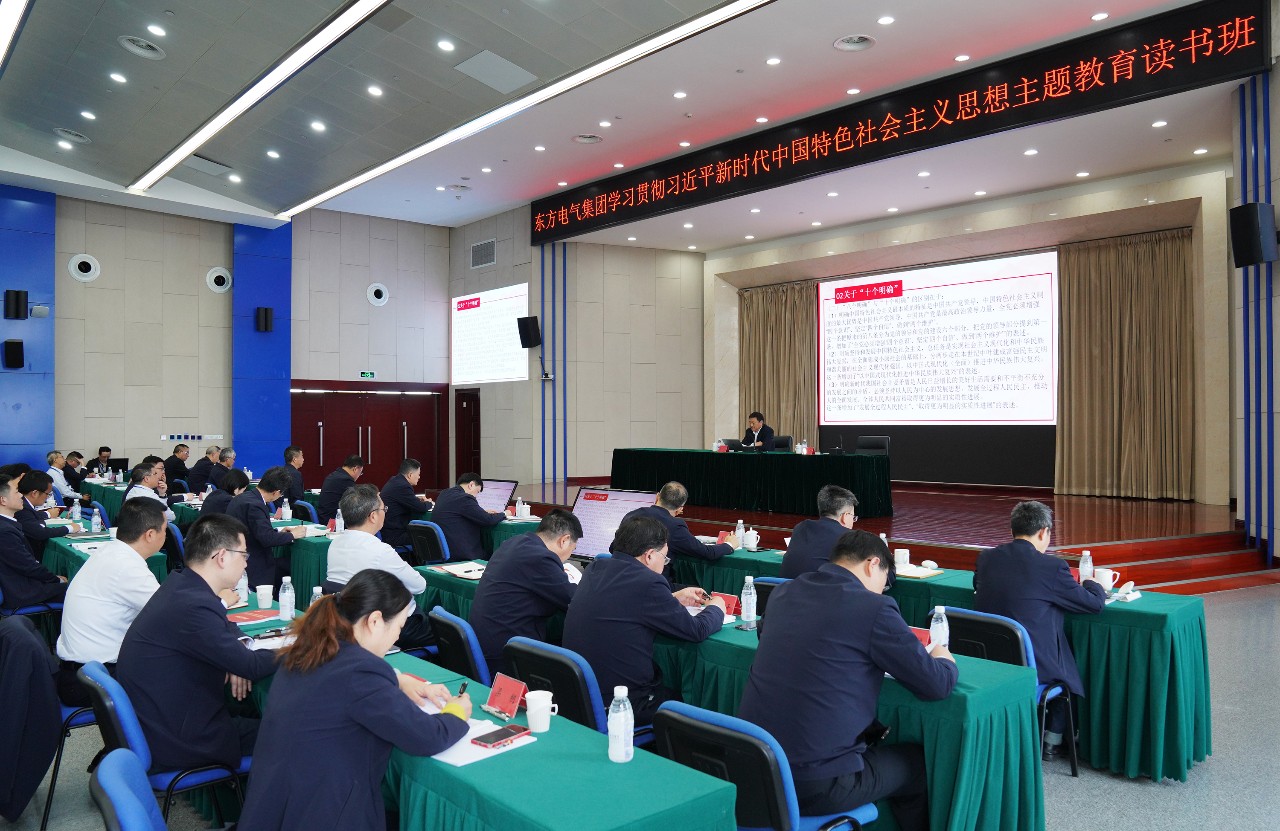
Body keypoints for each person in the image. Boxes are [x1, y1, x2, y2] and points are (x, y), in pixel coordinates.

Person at [737, 530, 958, 831]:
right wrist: (944, 658)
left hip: (757, 771)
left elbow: (767, 635)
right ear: (872, 564)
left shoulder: (784, 592)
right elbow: (936, 684)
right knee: (917, 765)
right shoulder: (875, 608)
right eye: (884, 581)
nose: (882, 590)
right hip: (816, 784)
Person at [236, 569, 471, 831]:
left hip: (275, 807)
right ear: (375, 621)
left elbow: (340, 684)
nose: (397, 637)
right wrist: (455, 711)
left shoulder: (311, 647)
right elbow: (428, 736)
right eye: (399, 626)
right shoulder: (362, 672)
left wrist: (398, 680)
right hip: (327, 814)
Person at [116, 513, 278, 772]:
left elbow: (222, 627)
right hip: (180, 739)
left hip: (166, 717)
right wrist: (301, 647)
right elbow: (251, 666)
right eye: (244, 555)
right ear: (222, 557)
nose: (247, 563)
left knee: (255, 710)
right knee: (294, 728)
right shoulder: (194, 605)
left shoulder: (182, 585)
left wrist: (238, 649)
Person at [973, 500, 1106, 760]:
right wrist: (1092, 583)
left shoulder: (986, 558)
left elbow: (978, 583)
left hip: (989, 661)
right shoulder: (1052, 567)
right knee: (1065, 666)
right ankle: (1052, 740)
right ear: (1044, 532)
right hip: (1030, 663)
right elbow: (1094, 605)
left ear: (1013, 529)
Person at [562, 515, 725, 724]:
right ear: (649, 555)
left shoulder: (596, 568)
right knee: (690, 703)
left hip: (579, 695)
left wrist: (671, 598)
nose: (664, 564)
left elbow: (623, 601)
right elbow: (696, 630)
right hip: (622, 703)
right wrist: (716, 607)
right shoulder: (649, 583)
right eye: (664, 558)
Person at [54, 499, 168, 706]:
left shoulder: (110, 550)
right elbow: (172, 614)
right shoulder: (127, 567)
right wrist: (220, 601)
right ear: (150, 534)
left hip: (80, 670)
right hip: (93, 681)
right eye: (165, 530)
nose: (165, 536)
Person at [469, 509, 582, 676]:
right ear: (564, 540)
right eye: (573, 548)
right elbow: (574, 600)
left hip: (487, 645)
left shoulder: (514, 542)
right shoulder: (541, 558)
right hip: (508, 656)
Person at [325, 484, 434, 649]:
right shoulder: (380, 550)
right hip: (394, 626)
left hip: (348, 622)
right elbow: (419, 586)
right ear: (373, 516)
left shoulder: (335, 544)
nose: (385, 513)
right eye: (384, 509)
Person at [623, 481, 737, 589]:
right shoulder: (675, 526)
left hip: (625, 579)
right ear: (680, 509)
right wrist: (729, 544)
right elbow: (707, 552)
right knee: (698, 591)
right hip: (656, 586)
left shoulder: (631, 515)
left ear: (657, 497)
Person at [226, 466, 306, 592]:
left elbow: (255, 531)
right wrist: (292, 535)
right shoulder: (256, 505)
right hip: (252, 563)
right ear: (276, 492)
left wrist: (278, 532)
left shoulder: (244, 497)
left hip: (236, 554)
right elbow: (266, 539)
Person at [0, 473, 67, 611]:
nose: (21, 495)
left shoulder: (7, 525)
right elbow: (28, 566)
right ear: (3, 500)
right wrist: (56, 579)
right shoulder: (5, 531)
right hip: (21, 592)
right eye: (17, 492)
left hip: (22, 583)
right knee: (78, 591)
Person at [780, 485, 859, 579]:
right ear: (845, 517)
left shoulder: (801, 527)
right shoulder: (848, 537)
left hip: (785, 587)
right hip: (817, 587)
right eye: (853, 517)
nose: (853, 521)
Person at [431, 472, 504, 561]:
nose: (476, 496)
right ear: (471, 485)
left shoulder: (444, 493)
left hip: (441, 551)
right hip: (461, 554)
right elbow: (488, 520)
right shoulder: (465, 498)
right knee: (496, 555)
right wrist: (504, 514)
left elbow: (458, 511)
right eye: (477, 492)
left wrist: (481, 512)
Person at [15, 471, 75, 557]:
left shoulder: (26, 504)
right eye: (47, 494)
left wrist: (47, 514)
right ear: (35, 493)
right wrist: (69, 528)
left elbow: (32, 517)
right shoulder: (22, 507)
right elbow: (40, 533)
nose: (47, 497)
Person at [380, 458, 434, 549]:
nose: (419, 477)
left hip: (387, 531)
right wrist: (429, 503)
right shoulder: (403, 486)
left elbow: (405, 499)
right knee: (430, 536)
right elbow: (421, 508)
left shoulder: (395, 481)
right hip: (394, 535)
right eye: (418, 474)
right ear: (410, 475)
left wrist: (415, 499)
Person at [317, 455, 364, 524]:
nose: (359, 475)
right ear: (355, 469)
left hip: (323, 517)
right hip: (333, 521)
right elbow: (356, 502)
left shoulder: (333, 475)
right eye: (360, 473)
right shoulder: (346, 480)